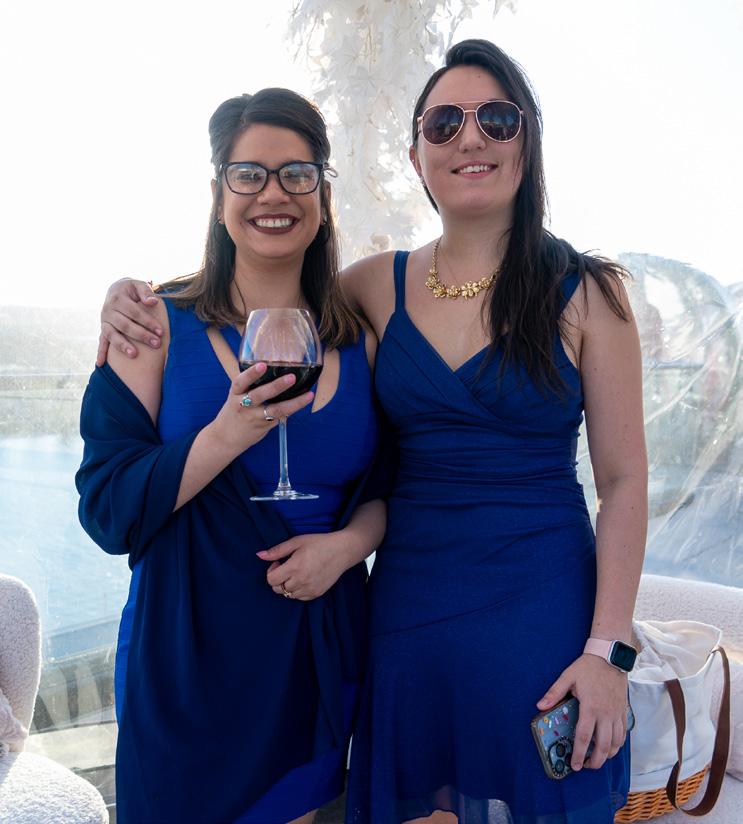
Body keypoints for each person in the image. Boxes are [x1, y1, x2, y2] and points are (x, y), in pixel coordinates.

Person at [98, 39, 647, 824]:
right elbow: (269, 283)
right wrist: (129, 296)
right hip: (402, 616)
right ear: (416, 154)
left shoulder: (589, 294)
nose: (470, 138)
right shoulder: (373, 289)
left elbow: (623, 483)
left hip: (541, 611)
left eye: (496, 118)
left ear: (528, 140)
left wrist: (607, 653)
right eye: (443, 123)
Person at [77, 88, 386, 824]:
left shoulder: (363, 341)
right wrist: (225, 434)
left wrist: (347, 546)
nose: (273, 194)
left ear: (323, 197)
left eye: (297, 174)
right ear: (219, 197)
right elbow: (108, 511)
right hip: (189, 662)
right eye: (248, 174)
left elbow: (396, 487)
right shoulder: (151, 326)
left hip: (316, 652)